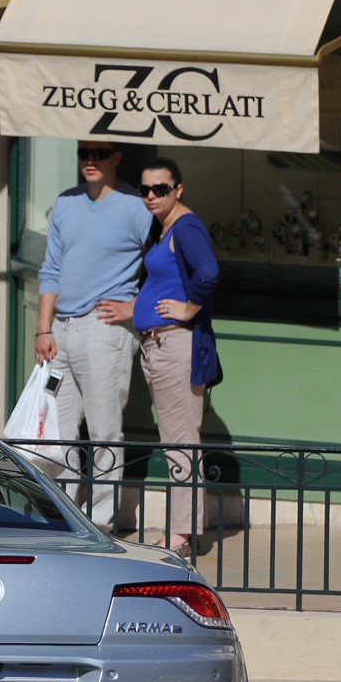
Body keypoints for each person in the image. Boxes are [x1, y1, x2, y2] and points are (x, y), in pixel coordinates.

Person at [103, 158, 220, 559]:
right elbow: (161, 281)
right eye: (145, 189)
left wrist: (188, 309)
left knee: (181, 444)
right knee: (175, 440)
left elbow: (208, 272)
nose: (151, 196)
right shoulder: (165, 227)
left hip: (175, 346)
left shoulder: (186, 226)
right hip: (158, 346)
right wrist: (135, 310)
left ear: (178, 189)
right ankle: (181, 530)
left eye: (160, 189)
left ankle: (182, 535)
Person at [34, 140, 153, 531]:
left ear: (116, 158)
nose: (90, 161)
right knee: (59, 433)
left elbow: (169, 261)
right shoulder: (66, 203)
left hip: (105, 330)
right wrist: (43, 328)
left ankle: (101, 521)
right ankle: (65, 517)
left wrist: (137, 307)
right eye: (83, 153)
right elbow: (50, 268)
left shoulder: (137, 207)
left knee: (104, 432)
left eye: (99, 154)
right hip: (61, 331)